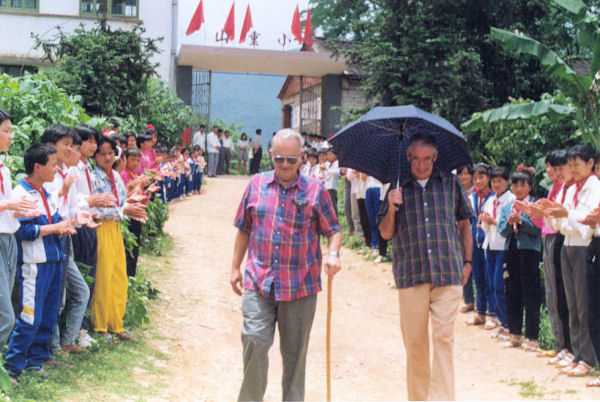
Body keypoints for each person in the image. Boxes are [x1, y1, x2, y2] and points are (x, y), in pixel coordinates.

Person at [230, 128, 342, 401]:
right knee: (255, 342)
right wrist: (235, 267)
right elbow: (244, 228)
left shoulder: (315, 190)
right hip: (259, 282)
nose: (285, 165)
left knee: (295, 359)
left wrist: (333, 254)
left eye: (292, 160)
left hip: (300, 287)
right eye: (280, 159)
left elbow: (334, 230)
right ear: (271, 154)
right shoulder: (256, 184)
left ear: (302, 157)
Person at [378, 132, 473, 401]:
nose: (421, 165)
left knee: (444, 340)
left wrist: (467, 262)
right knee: (416, 346)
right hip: (411, 275)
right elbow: (385, 233)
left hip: (447, 272)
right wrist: (393, 207)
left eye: (427, 160)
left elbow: (465, 224)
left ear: (436, 157)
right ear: (407, 157)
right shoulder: (396, 188)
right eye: (416, 159)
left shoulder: (451, 183)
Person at [4, 144, 76, 382]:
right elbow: (22, 231)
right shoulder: (20, 194)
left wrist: (64, 226)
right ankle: (12, 368)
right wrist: (54, 228)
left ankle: (35, 362)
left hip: (54, 261)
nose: (56, 170)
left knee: (47, 314)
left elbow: (55, 219)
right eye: (53, 165)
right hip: (34, 264)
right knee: (28, 317)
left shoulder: (45, 192)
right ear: (37, 166)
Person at [545, 144, 600, 376]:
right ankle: (577, 353)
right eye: (571, 165)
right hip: (567, 245)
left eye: (577, 164)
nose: (573, 169)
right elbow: (561, 223)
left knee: (584, 305)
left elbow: (587, 226)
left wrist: (566, 216)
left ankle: (588, 357)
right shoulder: (573, 188)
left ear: (590, 164)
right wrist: (559, 216)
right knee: (572, 304)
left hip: (582, 247)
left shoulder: (594, 187)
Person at [90, 136, 147, 342]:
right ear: (95, 156)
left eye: (110, 153)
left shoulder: (115, 176)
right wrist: (124, 210)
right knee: (103, 277)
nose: (107, 157)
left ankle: (117, 324)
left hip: (115, 228)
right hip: (100, 228)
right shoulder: (93, 177)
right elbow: (95, 209)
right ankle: (100, 326)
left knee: (118, 275)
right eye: (102, 154)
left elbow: (122, 202)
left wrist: (133, 205)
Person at [0, 109, 39, 353]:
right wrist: (9, 204)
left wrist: (19, 211)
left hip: (8, 240)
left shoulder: (3, 169)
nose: (11, 136)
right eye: (6, 130)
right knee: (6, 317)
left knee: (6, 311)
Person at [498, 167, 542, 352]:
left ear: (530, 187)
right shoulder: (507, 206)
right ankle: (515, 333)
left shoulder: (535, 205)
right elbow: (501, 230)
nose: (518, 189)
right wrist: (510, 223)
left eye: (523, 185)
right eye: (515, 185)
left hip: (530, 252)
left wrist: (522, 221)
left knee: (531, 293)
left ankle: (532, 337)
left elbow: (539, 228)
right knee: (512, 291)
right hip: (512, 250)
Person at [480, 166, 515, 337]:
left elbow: (507, 225)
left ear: (507, 182)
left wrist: (492, 221)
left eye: (500, 181)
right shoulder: (490, 200)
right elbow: (486, 222)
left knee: (499, 285)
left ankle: (509, 323)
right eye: (493, 181)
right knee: (491, 285)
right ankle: (503, 322)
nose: (496, 184)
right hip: (490, 245)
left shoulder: (511, 200)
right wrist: (485, 223)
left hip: (503, 246)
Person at [466, 163, 494, 327]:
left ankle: (493, 314)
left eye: (481, 177)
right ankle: (480, 312)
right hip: (474, 242)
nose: (477, 181)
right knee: (479, 278)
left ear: (488, 178)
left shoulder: (493, 197)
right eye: (475, 178)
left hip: (488, 243)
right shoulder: (472, 197)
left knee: (490, 278)